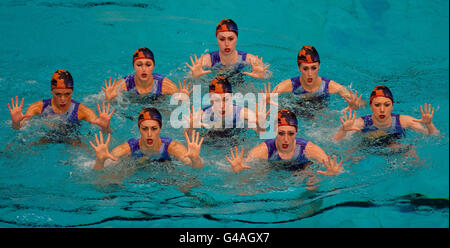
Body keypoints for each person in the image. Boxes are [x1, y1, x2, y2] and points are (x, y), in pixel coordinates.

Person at [225, 109, 344, 185]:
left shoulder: (309, 149)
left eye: (291, 134)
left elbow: (335, 167)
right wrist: (236, 171)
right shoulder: (262, 151)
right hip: (272, 167)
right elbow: (243, 172)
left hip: (302, 167)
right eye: (281, 133)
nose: (286, 139)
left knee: (312, 182)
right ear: (274, 132)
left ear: (296, 133)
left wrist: (335, 173)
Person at [8, 69, 115, 144]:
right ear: (51, 91)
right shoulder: (38, 107)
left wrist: (105, 128)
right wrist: (16, 123)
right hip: (46, 137)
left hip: (73, 140)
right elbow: (18, 129)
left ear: (72, 92)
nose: (63, 99)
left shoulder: (82, 111)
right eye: (58, 94)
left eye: (67, 94)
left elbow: (105, 133)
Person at [90, 107, 204, 170]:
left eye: (154, 128)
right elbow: (100, 174)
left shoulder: (172, 147)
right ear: (139, 128)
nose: (149, 134)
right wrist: (100, 161)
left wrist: (195, 159)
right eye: (145, 129)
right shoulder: (127, 149)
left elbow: (196, 168)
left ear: (160, 128)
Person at [265, 46, 365, 115]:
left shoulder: (330, 86)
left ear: (319, 66)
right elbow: (264, 102)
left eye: (313, 68)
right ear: (299, 68)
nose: (310, 73)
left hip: (319, 112)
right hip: (295, 109)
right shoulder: (287, 86)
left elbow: (362, 102)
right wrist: (266, 102)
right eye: (305, 68)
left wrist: (357, 105)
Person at [333, 85, 439, 150]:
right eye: (377, 105)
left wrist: (429, 125)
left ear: (392, 105)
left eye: (387, 105)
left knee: (411, 154)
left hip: (394, 144)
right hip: (367, 146)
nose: (382, 110)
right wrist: (343, 130)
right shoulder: (360, 123)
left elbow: (435, 136)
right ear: (371, 106)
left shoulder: (404, 121)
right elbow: (336, 142)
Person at [185, 19, 270, 81]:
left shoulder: (250, 59)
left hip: (241, 88)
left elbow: (269, 75)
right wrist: (194, 76)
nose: (226, 44)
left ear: (237, 38)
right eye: (222, 39)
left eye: (231, 39)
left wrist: (263, 76)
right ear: (216, 39)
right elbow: (187, 78)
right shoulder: (207, 60)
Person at [184, 76, 269, 138]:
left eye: (226, 99)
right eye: (217, 100)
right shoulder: (201, 115)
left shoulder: (243, 113)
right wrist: (191, 127)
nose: (222, 106)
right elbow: (187, 137)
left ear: (231, 97)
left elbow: (262, 134)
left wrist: (259, 124)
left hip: (236, 141)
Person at [102, 47, 191, 101]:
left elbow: (179, 109)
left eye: (148, 65)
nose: (144, 69)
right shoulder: (124, 85)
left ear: (153, 66)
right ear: (134, 66)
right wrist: (108, 99)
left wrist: (184, 99)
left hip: (157, 103)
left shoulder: (165, 85)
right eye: (139, 65)